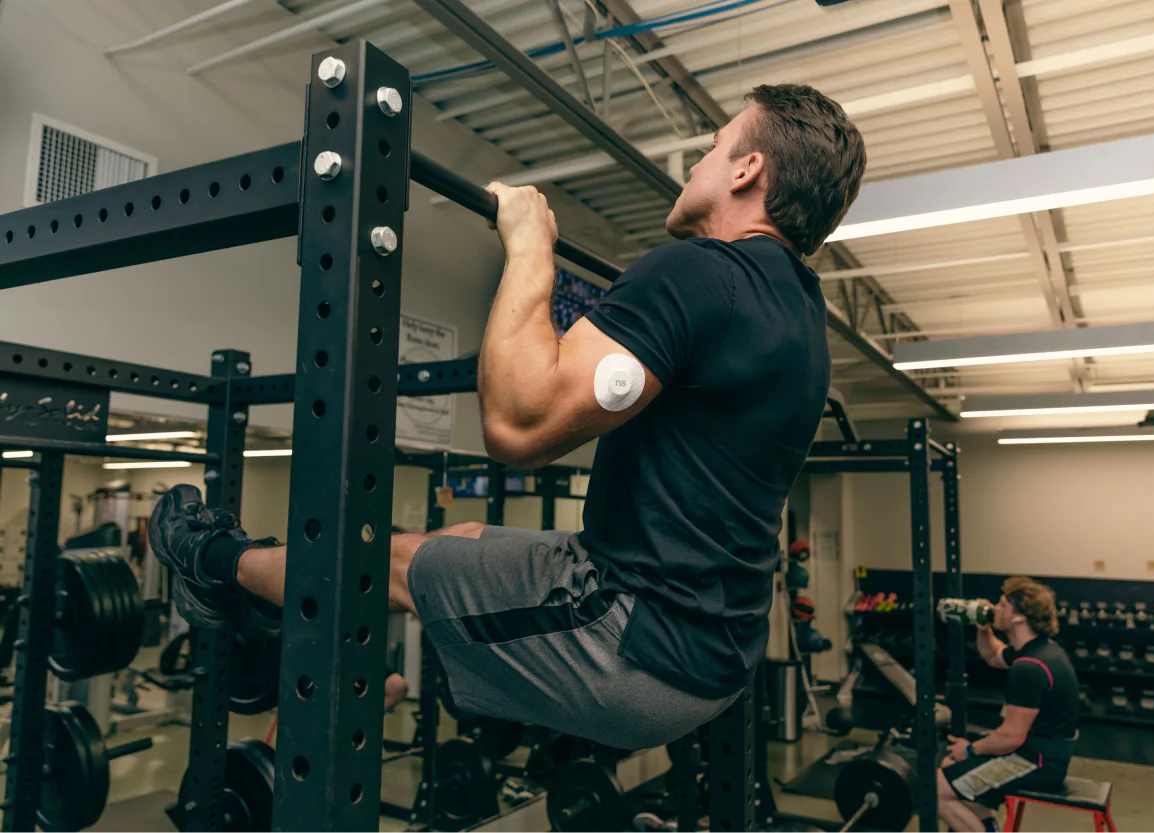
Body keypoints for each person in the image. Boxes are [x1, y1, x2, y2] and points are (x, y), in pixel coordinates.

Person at [150, 83, 867, 749]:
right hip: (713, 649)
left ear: (745, 171)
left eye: (713, 145)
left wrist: (530, 245)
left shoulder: (699, 271)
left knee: (392, 567)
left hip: (633, 649)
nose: (698, 161)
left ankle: (216, 566)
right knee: (456, 537)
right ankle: (264, 599)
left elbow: (518, 426)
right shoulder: (802, 315)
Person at [938, 577, 1079, 833]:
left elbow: (1011, 737)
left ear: (1019, 618)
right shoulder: (1039, 649)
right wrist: (984, 628)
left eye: (1002, 605)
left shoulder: (1029, 668)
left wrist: (970, 750)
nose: (994, 608)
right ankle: (986, 825)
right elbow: (993, 655)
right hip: (1041, 754)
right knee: (950, 766)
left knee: (934, 789)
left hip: (1035, 763)